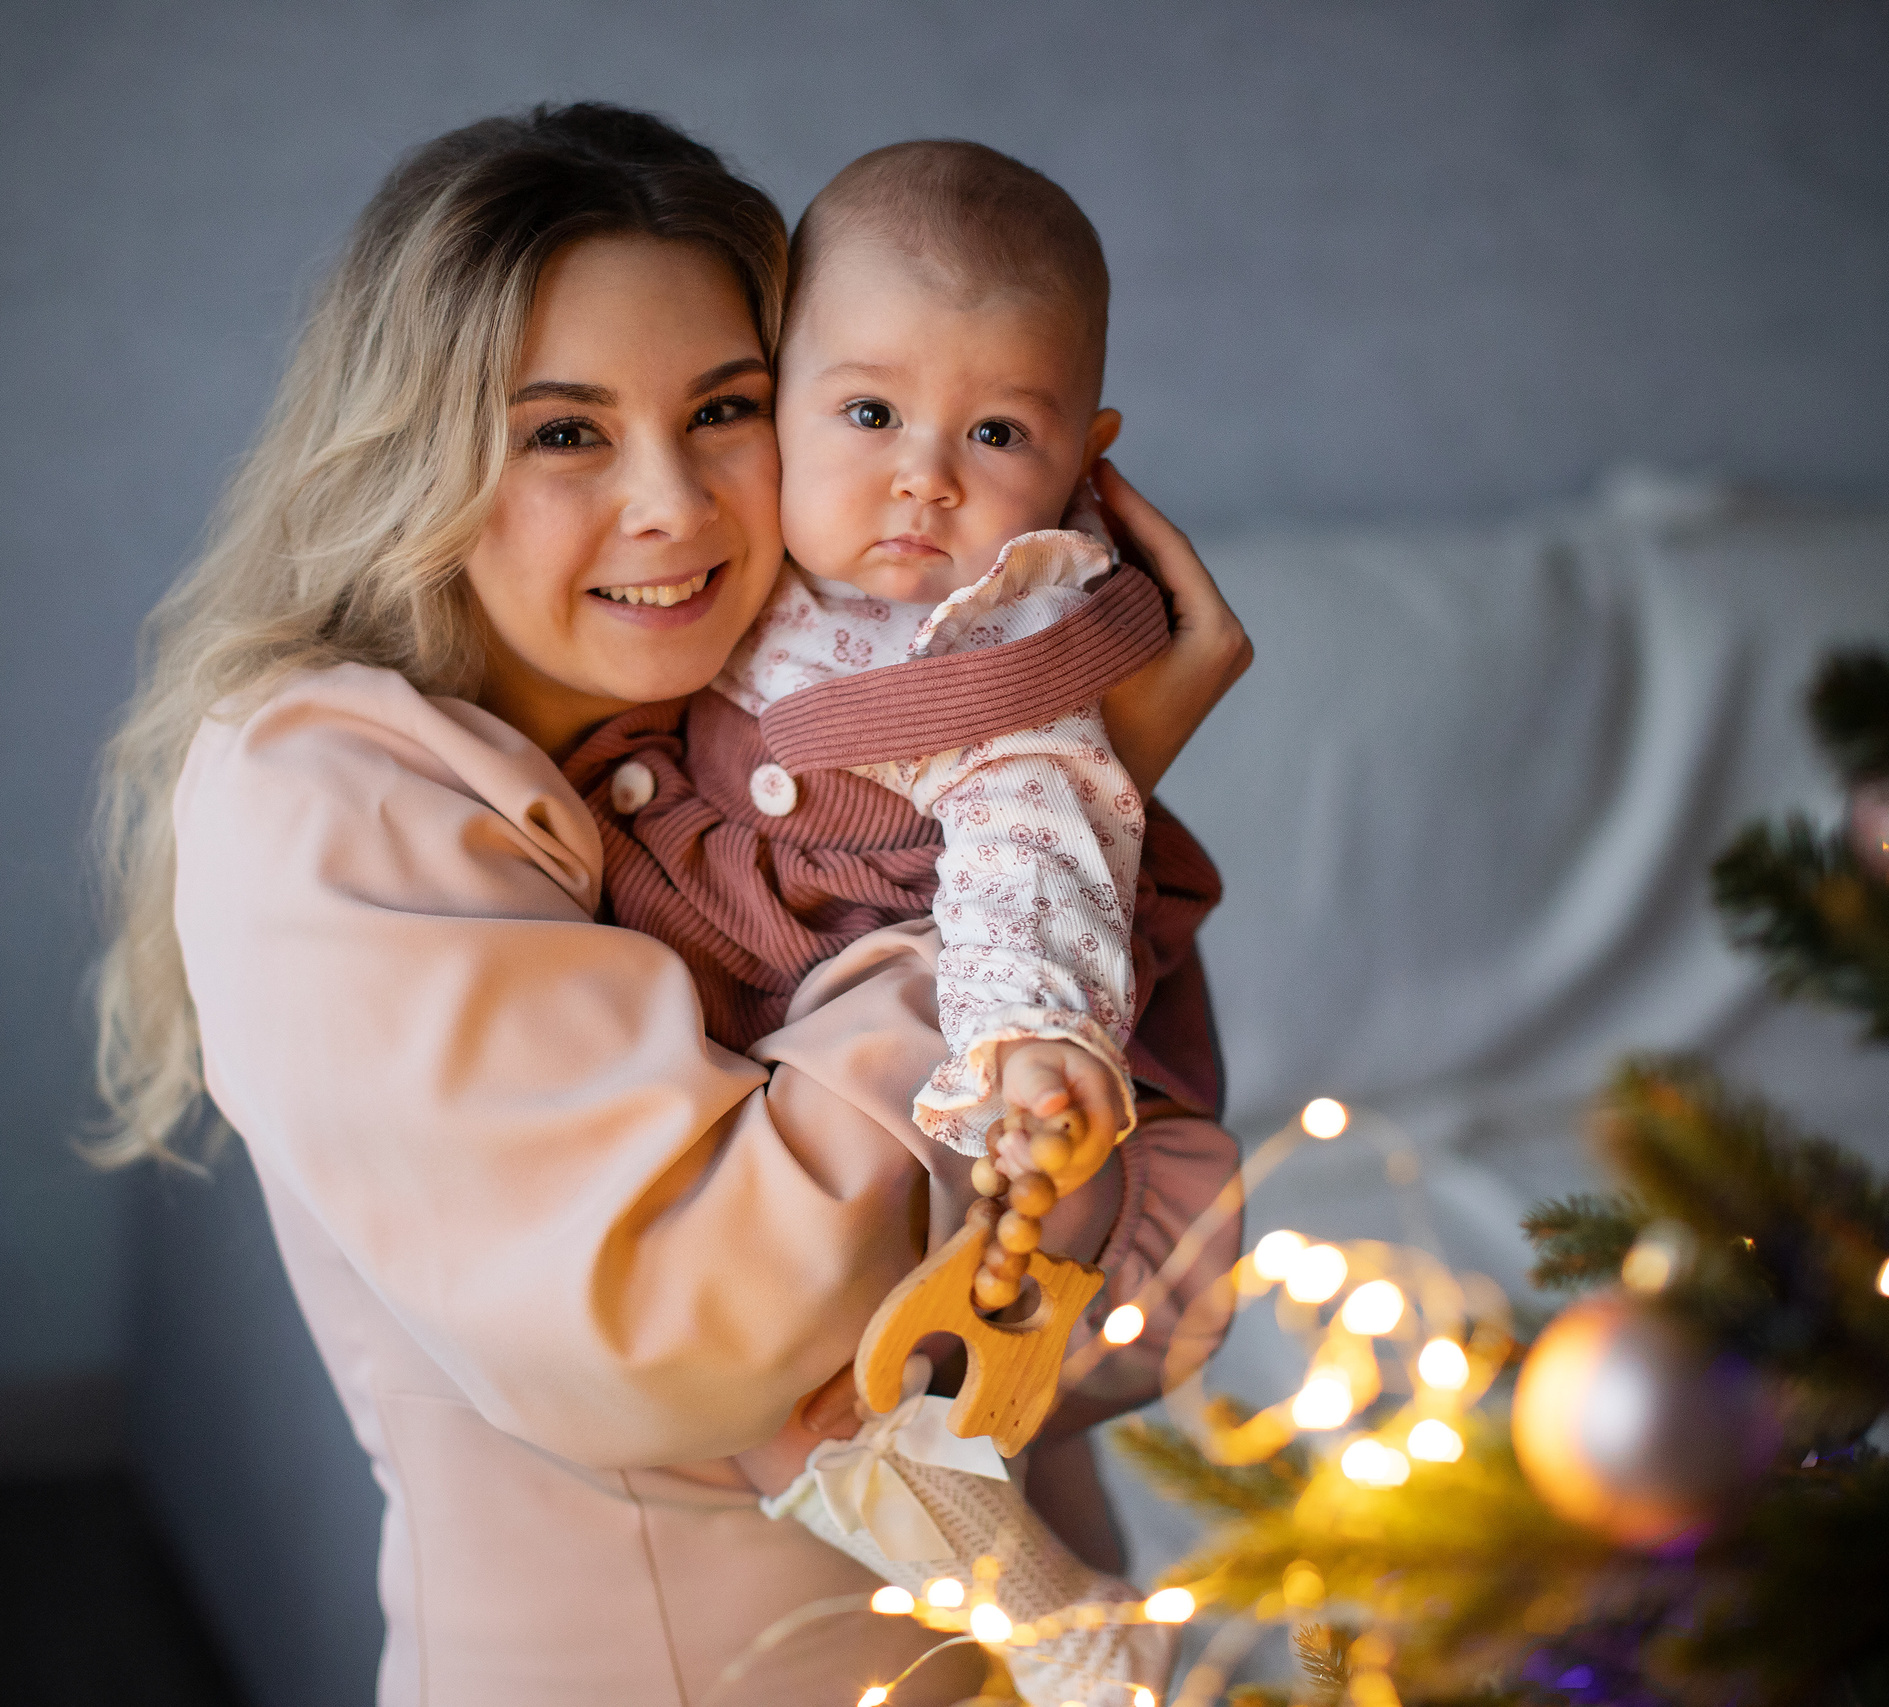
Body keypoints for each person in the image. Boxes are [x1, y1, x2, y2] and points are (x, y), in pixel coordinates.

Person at [93, 103, 1250, 1706]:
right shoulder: (325, 789)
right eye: (565, 433)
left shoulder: (804, 727)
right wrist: (1063, 845)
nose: (676, 505)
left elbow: (1089, 1313)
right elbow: (694, 1321)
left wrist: (1039, 778)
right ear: (421, 454)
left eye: (722, 410)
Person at [577, 139, 1239, 1706]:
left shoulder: (1003, 653)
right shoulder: (731, 569)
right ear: (774, 406)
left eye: (997, 431)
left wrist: (1029, 1039)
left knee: (813, 1361)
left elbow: (1033, 852)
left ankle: (1049, 1610)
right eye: (869, 413)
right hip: (741, 1026)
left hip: (952, 1070)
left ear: (1085, 459)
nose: (925, 476)